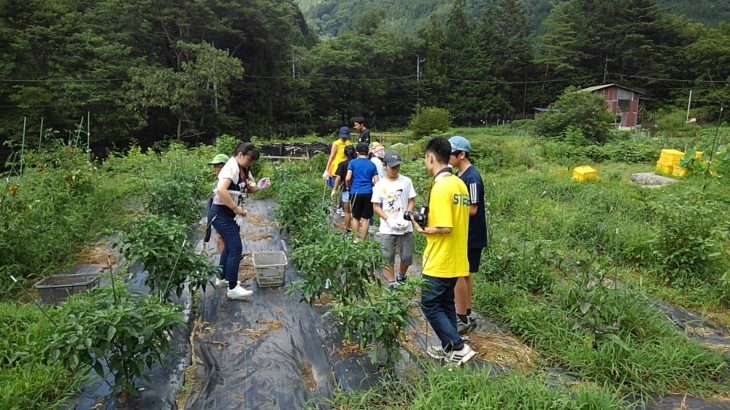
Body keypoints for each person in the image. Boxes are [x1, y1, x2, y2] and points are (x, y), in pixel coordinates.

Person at [412, 137, 475, 366]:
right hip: (457, 256)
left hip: (441, 258)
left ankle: (458, 347)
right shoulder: (459, 183)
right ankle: (449, 346)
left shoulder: (440, 187)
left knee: (429, 303)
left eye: (425, 160)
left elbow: (444, 227)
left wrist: (421, 228)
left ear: (430, 158)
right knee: (446, 302)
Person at [209, 142, 263, 300]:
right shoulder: (231, 167)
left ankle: (223, 278)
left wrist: (260, 186)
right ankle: (233, 288)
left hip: (227, 214)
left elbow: (247, 188)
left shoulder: (243, 168)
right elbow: (221, 189)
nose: (250, 162)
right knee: (235, 249)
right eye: (249, 159)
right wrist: (235, 208)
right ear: (240, 155)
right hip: (221, 213)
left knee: (228, 247)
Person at [449, 136, 488, 334]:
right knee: (464, 274)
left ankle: (462, 315)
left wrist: (452, 211)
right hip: (465, 233)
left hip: (470, 235)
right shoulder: (460, 174)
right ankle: (466, 310)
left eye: (451, 153)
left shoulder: (472, 177)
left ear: (461, 154)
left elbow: (473, 208)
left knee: (460, 273)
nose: (447, 157)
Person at [371, 150, 416, 290]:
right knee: (387, 256)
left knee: (407, 255)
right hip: (387, 227)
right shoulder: (380, 185)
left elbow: (411, 200)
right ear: (385, 166)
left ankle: (401, 275)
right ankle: (391, 282)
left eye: (397, 167)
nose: (395, 170)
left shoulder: (406, 181)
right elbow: (376, 206)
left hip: (405, 226)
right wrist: (387, 218)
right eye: (392, 167)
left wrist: (407, 215)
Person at [346, 142, 379, 241]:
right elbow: (377, 182)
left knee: (356, 217)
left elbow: (348, 178)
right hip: (368, 192)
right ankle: (363, 242)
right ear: (368, 152)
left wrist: (348, 187)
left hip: (355, 192)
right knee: (366, 218)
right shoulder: (372, 164)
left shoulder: (353, 162)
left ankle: (355, 239)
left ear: (357, 152)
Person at [204, 153, 229, 252]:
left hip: (225, 213)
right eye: (215, 167)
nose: (216, 169)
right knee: (221, 236)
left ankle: (226, 257)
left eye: (219, 166)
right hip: (221, 214)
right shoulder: (220, 180)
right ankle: (224, 261)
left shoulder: (226, 179)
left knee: (224, 236)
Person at [332, 145, 357, 231]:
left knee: (347, 212)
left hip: (346, 190)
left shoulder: (342, 164)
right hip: (357, 190)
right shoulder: (357, 164)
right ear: (355, 153)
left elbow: (338, 178)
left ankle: (348, 227)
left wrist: (334, 189)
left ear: (345, 154)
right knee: (356, 212)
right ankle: (356, 230)